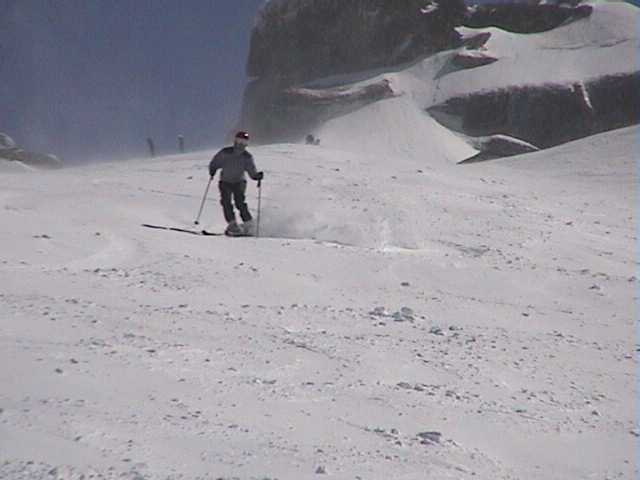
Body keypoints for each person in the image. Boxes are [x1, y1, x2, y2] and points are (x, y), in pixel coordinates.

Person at [209, 131, 264, 236]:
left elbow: (251, 171)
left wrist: (257, 176)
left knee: (240, 202)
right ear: (235, 141)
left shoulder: (247, 157)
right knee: (226, 201)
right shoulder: (225, 152)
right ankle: (232, 223)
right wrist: (213, 169)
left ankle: (248, 223)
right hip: (225, 181)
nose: (241, 144)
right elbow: (215, 162)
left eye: (244, 142)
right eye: (239, 141)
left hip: (239, 182)